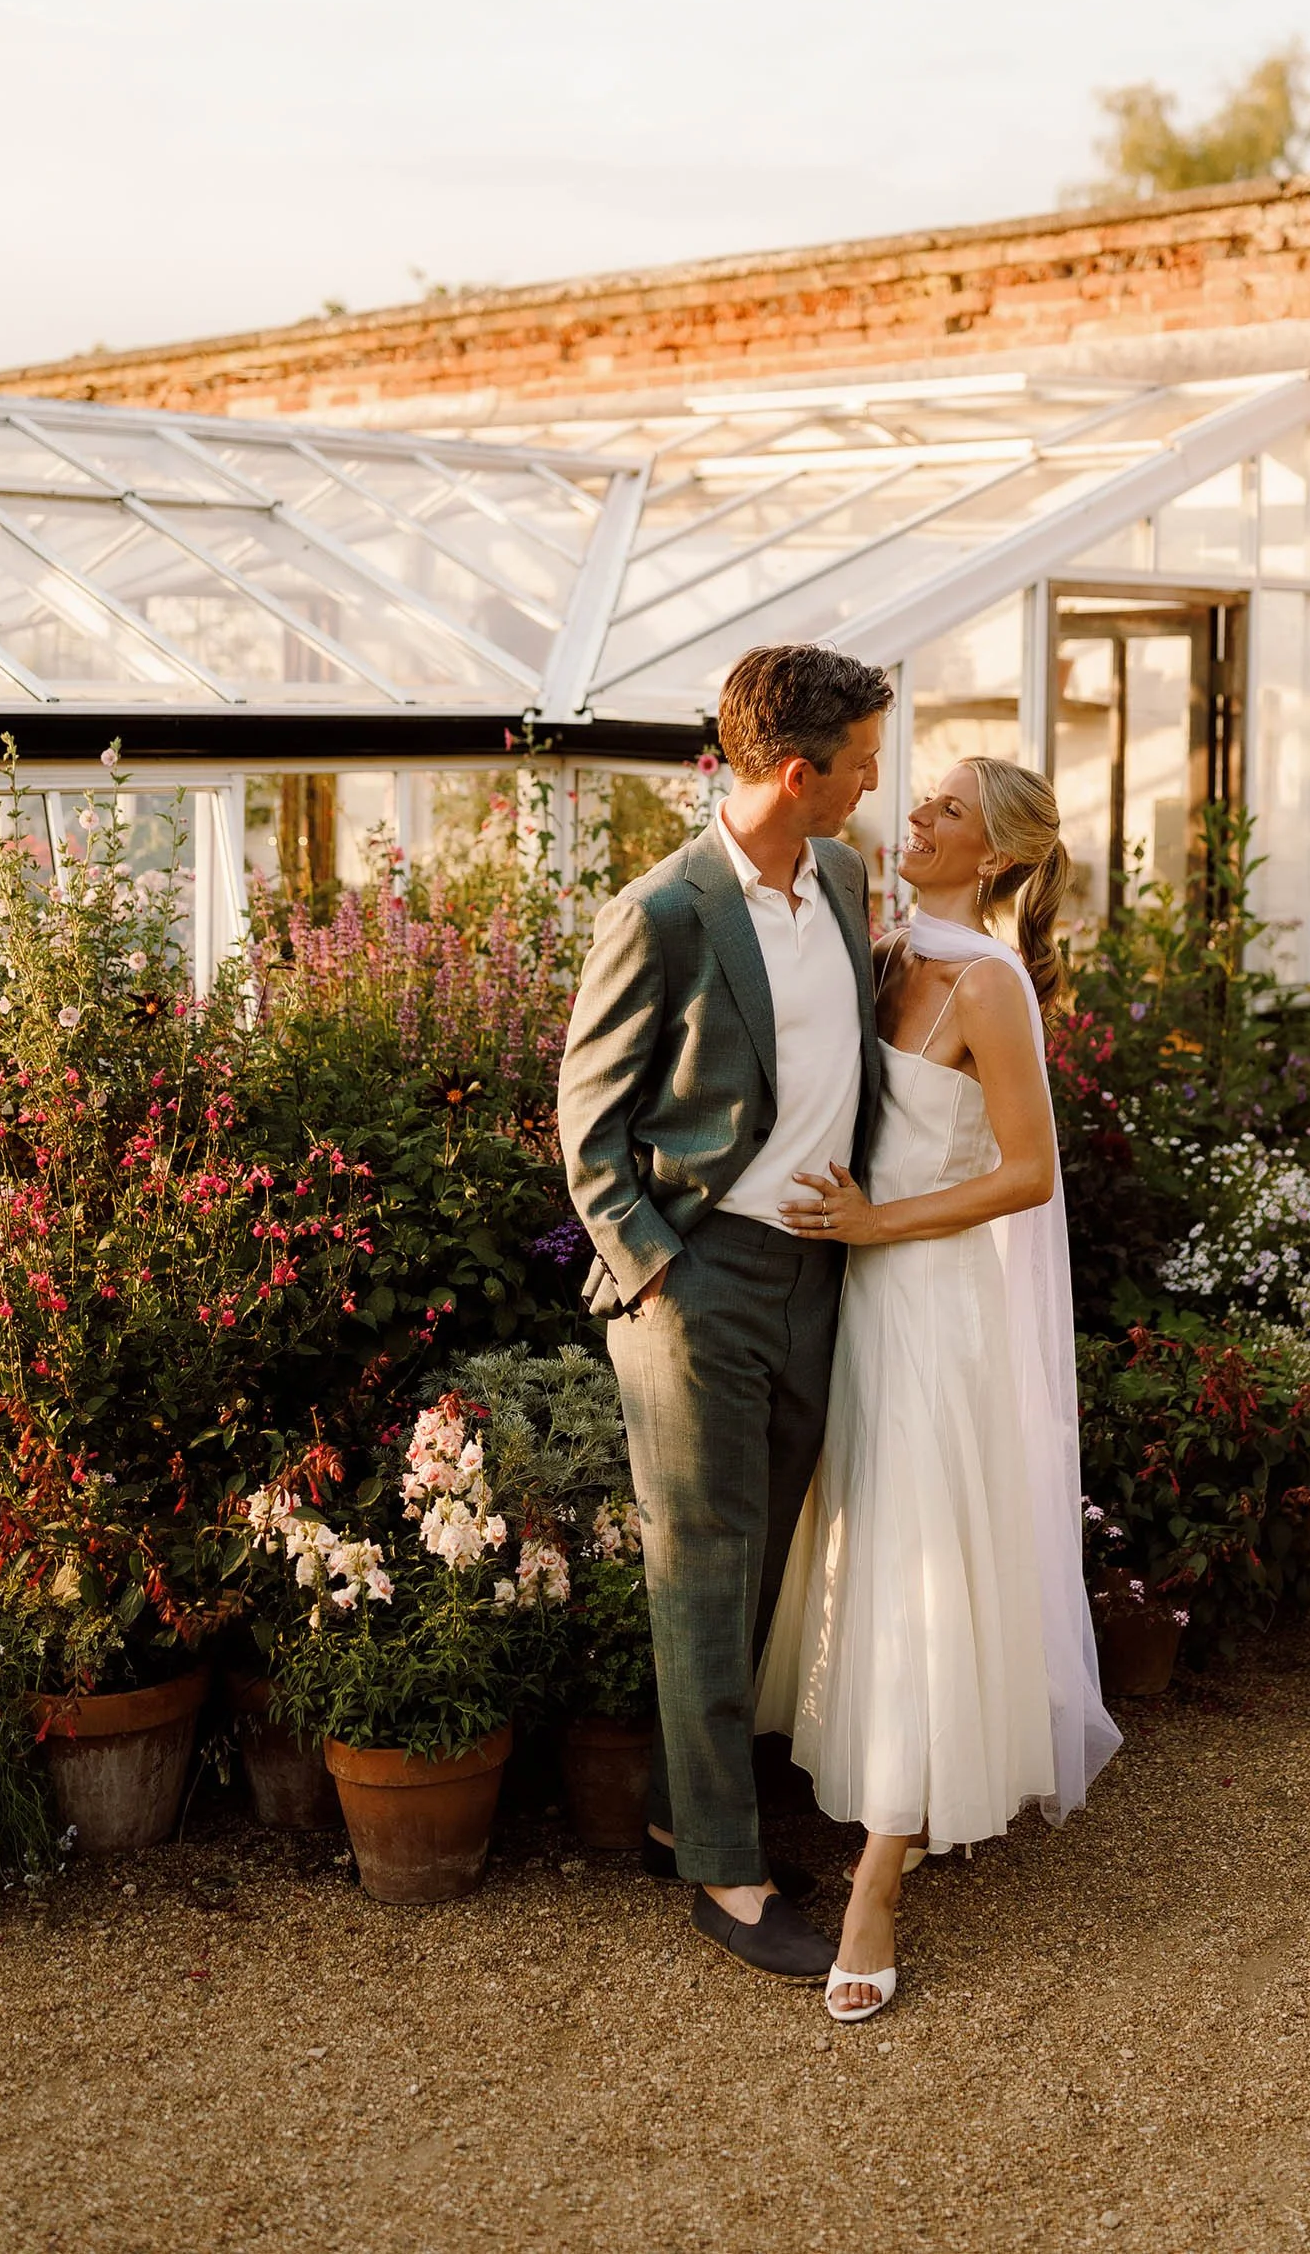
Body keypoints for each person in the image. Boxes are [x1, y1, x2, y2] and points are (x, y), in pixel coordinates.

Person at [755, 755, 1121, 2023]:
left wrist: (878, 1224)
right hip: (856, 1295)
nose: (914, 815)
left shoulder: (989, 987)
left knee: (915, 1568)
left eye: (946, 810)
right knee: (861, 1552)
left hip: (930, 1305)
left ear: (999, 856)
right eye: (922, 799)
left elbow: (1026, 1174)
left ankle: (875, 1885)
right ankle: (889, 1793)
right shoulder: (883, 947)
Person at [557, 642, 891, 1985]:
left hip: (820, 1270)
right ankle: (729, 1874)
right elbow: (588, 1118)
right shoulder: (667, 910)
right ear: (798, 770)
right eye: (864, 760)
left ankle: (674, 1809)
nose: (880, 778)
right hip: (699, 1279)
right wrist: (653, 1268)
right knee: (701, 1562)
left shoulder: (849, 876)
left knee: (753, 1566)